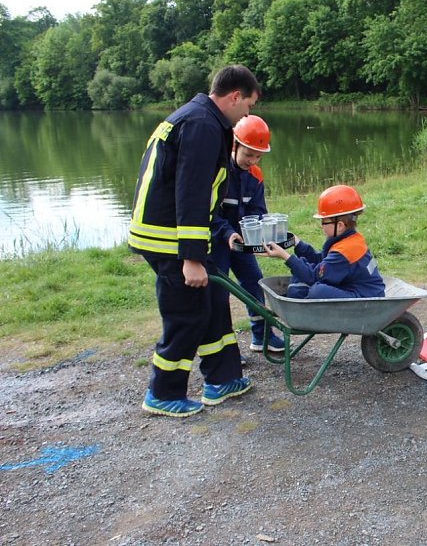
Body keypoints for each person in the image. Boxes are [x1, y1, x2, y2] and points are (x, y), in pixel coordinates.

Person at [128, 64, 260, 418]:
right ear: (235, 97)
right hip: (168, 239)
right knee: (187, 313)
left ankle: (223, 379)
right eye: (248, 106)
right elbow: (191, 194)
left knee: (214, 299)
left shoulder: (196, 117)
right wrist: (191, 257)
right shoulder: (202, 125)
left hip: (175, 235)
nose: (247, 114)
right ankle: (163, 393)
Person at [211, 115, 286, 355]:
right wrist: (227, 233)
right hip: (217, 242)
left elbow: (257, 210)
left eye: (258, 156)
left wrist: (263, 233)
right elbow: (209, 212)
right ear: (234, 146)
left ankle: (262, 337)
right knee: (219, 293)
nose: (252, 160)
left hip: (243, 242)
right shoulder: (218, 172)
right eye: (248, 154)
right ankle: (226, 350)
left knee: (254, 283)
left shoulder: (256, 175)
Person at [260, 185, 385, 299]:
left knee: (318, 291)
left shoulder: (345, 251)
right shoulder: (350, 240)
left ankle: (305, 308)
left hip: (364, 299)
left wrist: (285, 256)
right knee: (302, 270)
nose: (321, 226)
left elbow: (314, 276)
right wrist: (297, 243)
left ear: (340, 226)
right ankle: (300, 303)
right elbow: (323, 262)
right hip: (357, 290)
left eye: (324, 222)